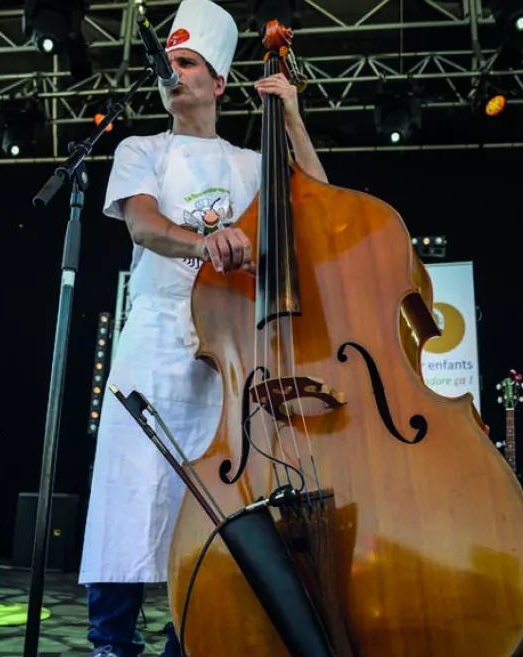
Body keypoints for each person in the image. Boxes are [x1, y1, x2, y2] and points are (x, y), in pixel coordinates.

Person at [78, 1, 328, 655]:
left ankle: (188, 639)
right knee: (129, 496)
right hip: (154, 342)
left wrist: (293, 117)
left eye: (188, 62)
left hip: (225, 355)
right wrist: (208, 243)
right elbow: (143, 225)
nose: (174, 72)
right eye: (171, 61)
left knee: (217, 507)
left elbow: (323, 204)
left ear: (218, 82)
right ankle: (111, 643)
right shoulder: (142, 148)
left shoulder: (250, 163)